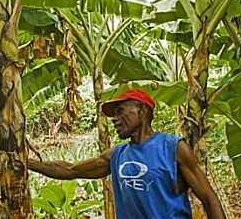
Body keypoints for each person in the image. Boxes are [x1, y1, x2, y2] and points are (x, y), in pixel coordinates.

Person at [27, 88, 226, 219]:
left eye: (121, 111)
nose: (115, 118)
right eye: (114, 114)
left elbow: (208, 197)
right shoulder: (117, 154)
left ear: (142, 111)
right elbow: (70, 170)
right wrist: (27, 163)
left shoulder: (173, 147)